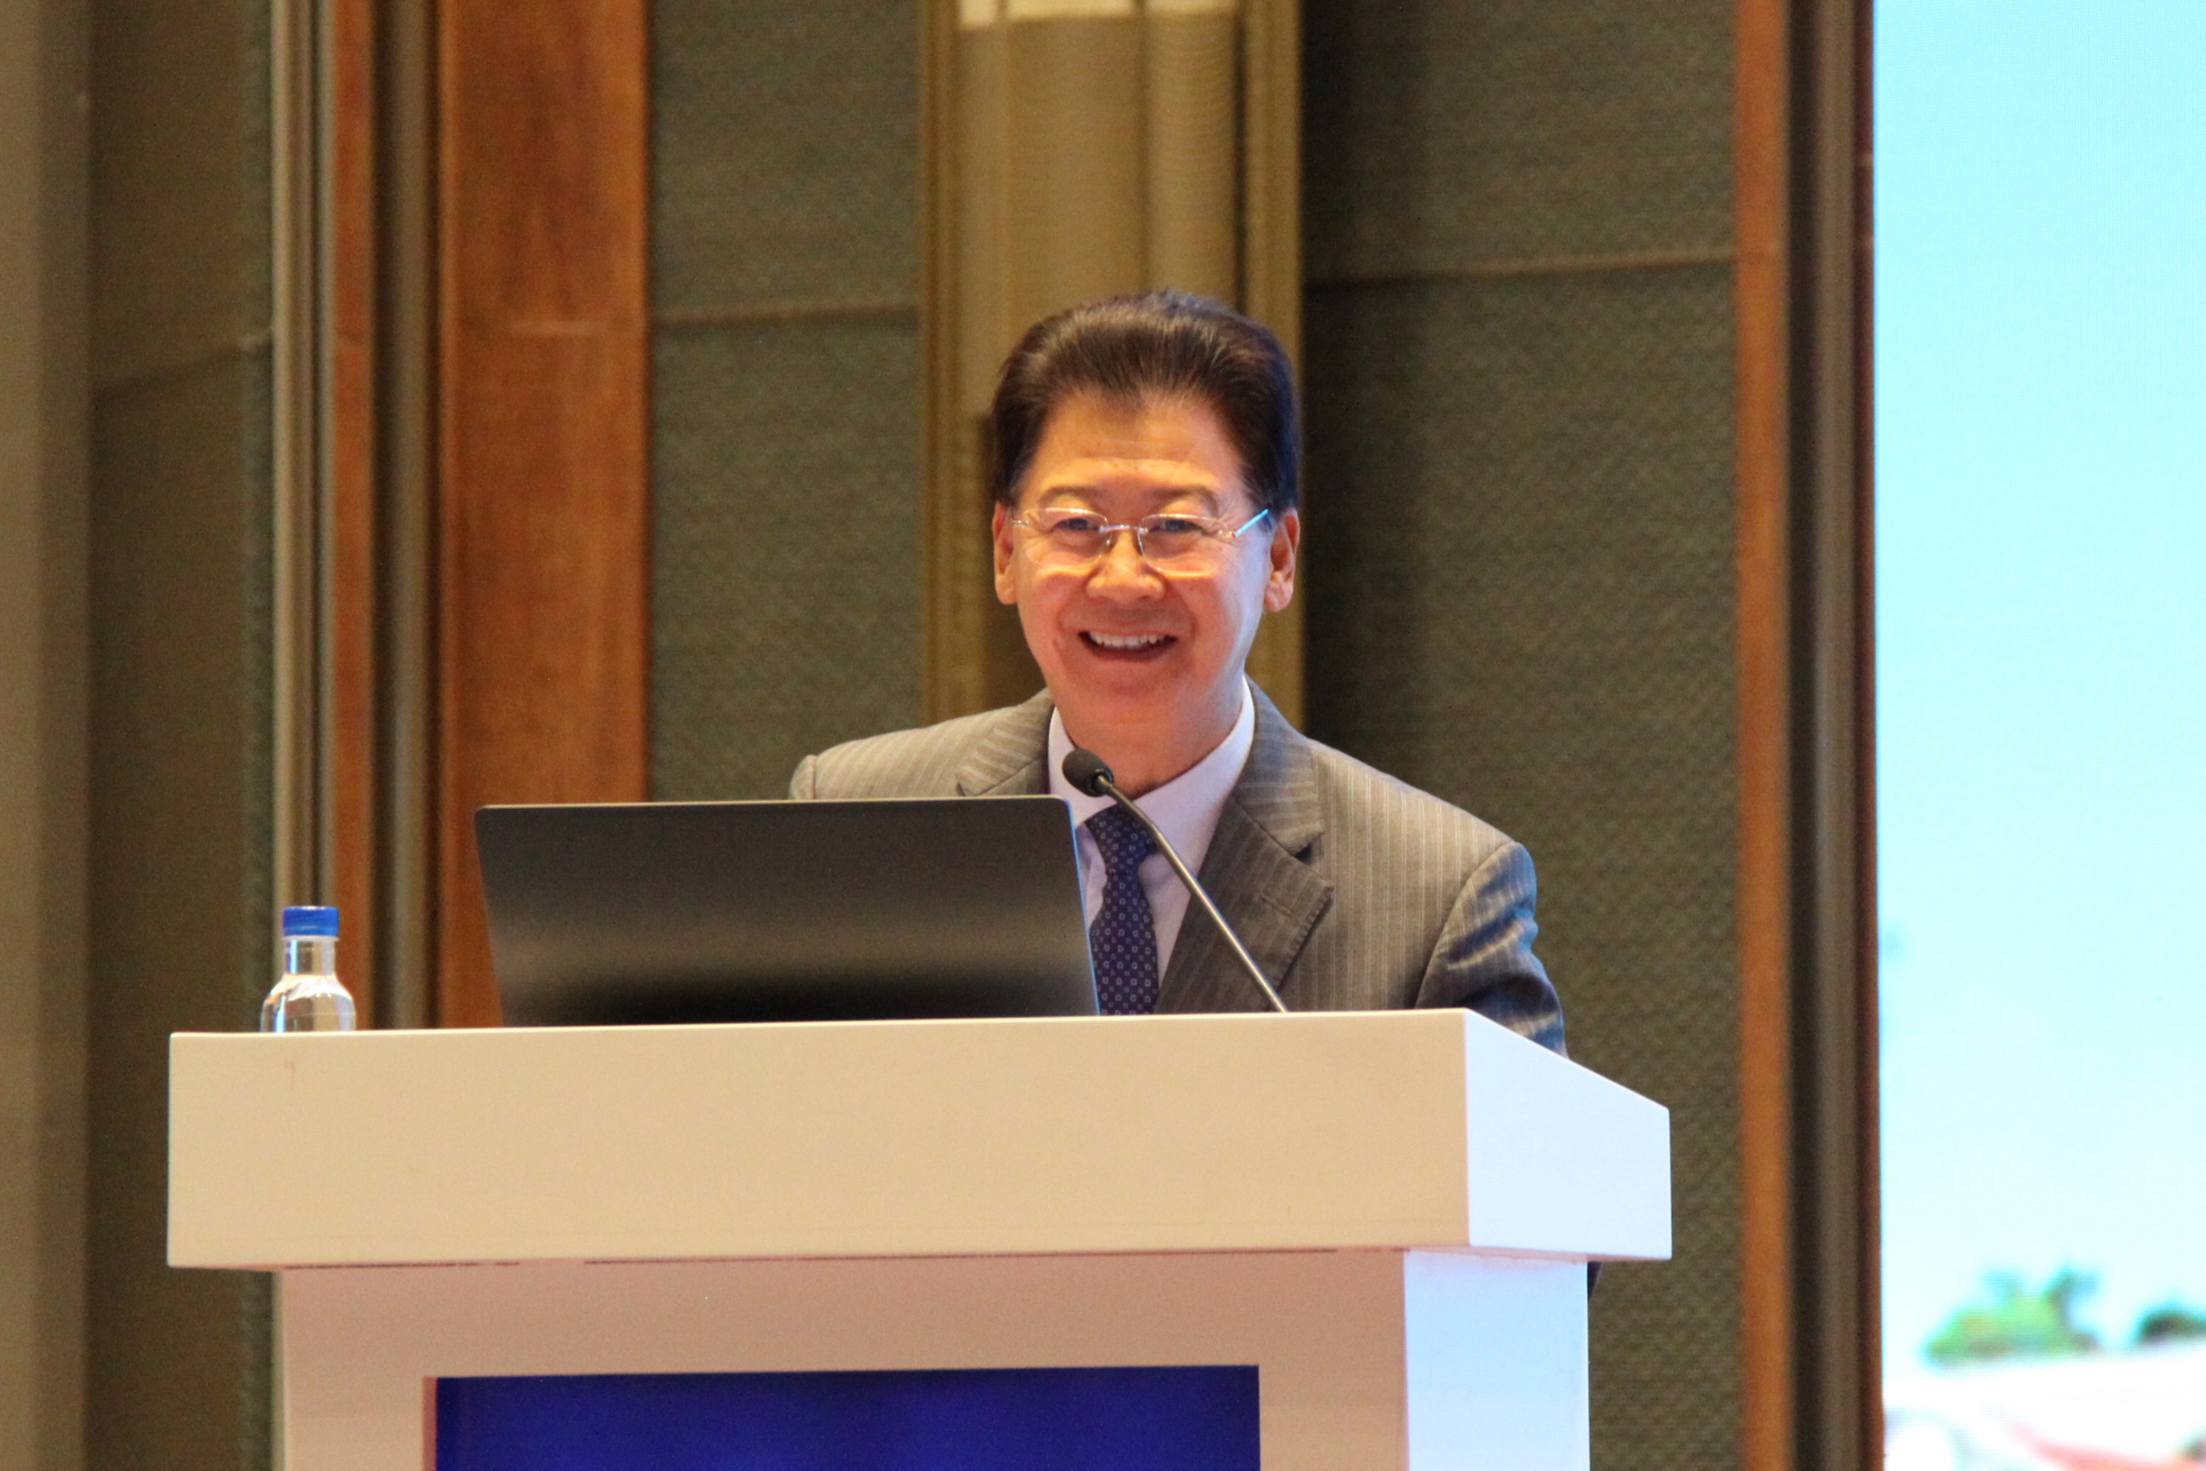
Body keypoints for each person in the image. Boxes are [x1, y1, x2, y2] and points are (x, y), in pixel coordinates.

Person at [790, 291, 1564, 1052]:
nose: (1124, 579)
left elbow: (1522, 1145)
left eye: (1176, 526)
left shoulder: (1438, 899)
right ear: (1005, 550)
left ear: (1279, 558)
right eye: (1077, 524)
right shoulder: (851, 826)